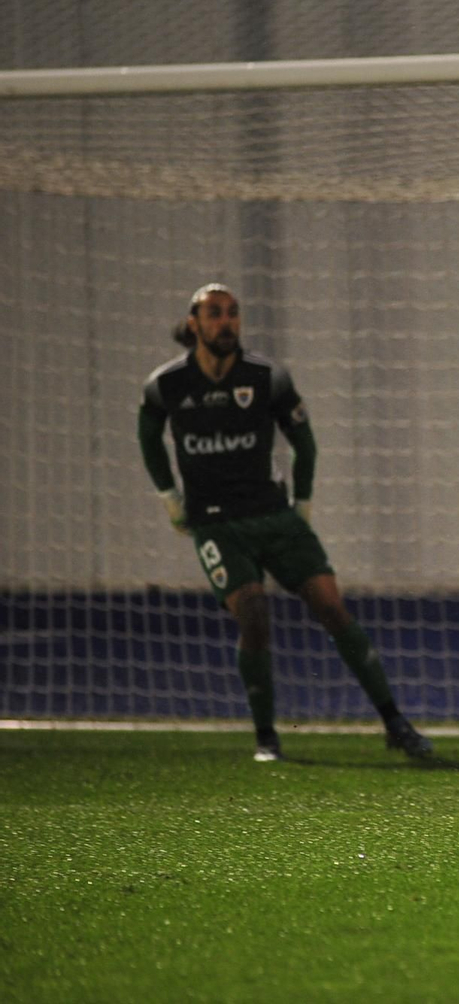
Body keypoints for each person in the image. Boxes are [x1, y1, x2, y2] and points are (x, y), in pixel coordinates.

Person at [138, 282, 433, 763]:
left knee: (332, 606)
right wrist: (170, 498)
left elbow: (305, 443)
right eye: (215, 313)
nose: (226, 322)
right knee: (254, 614)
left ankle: (395, 723)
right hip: (216, 524)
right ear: (194, 324)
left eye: (232, 313)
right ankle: (266, 738)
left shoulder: (266, 377)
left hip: (273, 515)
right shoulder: (165, 385)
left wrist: (303, 504)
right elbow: (148, 437)